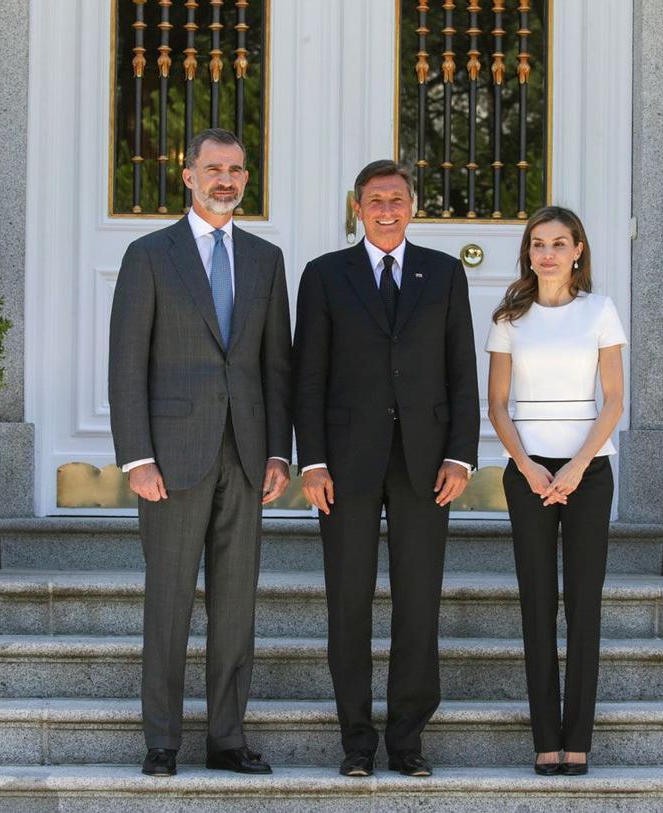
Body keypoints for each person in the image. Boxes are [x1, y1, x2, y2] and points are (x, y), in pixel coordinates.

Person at [107, 128, 292, 777]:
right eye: (214, 168)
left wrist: (279, 454)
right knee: (170, 601)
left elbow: (277, 366)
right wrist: (137, 457)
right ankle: (162, 739)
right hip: (172, 458)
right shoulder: (149, 256)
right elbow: (127, 363)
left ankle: (226, 736)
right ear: (187, 176)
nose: (226, 179)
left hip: (245, 455)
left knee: (236, 603)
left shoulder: (267, 260)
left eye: (237, 169)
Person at [292, 159, 480, 778]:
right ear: (357, 207)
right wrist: (311, 461)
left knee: (418, 600)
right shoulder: (324, 276)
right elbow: (309, 375)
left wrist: (461, 453)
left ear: (413, 206)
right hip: (343, 463)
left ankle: (407, 740)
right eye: (375, 199)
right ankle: (356, 742)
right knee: (348, 600)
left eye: (397, 198)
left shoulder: (446, 274)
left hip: (428, 463)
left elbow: (461, 371)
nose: (387, 209)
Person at [485, 206, 626, 777]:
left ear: (578, 251)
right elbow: (496, 405)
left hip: (587, 473)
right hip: (527, 473)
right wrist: (528, 466)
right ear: (528, 252)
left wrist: (575, 467)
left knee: (583, 606)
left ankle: (579, 740)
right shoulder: (508, 318)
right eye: (538, 243)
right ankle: (546, 738)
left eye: (559, 243)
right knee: (537, 603)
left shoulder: (601, 311)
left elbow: (613, 400)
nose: (547, 253)